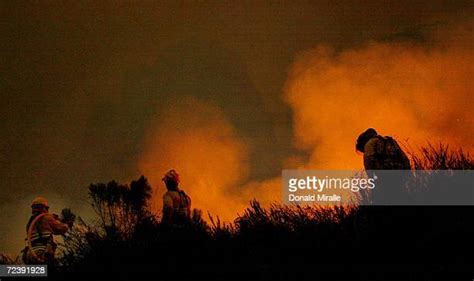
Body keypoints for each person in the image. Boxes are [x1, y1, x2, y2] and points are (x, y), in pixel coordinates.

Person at [356, 128, 411, 204]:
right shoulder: (391, 141)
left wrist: (373, 180)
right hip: (400, 175)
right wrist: (407, 175)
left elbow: (369, 163)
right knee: (401, 198)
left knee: (384, 199)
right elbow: (405, 159)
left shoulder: (370, 143)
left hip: (384, 177)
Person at [22, 197, 71, 264]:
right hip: (43, 253)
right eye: (47, 208)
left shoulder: (30, 223)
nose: (47, 210)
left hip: (30, 255)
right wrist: (67, 223)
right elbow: (61, 229)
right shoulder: (46, 218)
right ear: (42, 207)